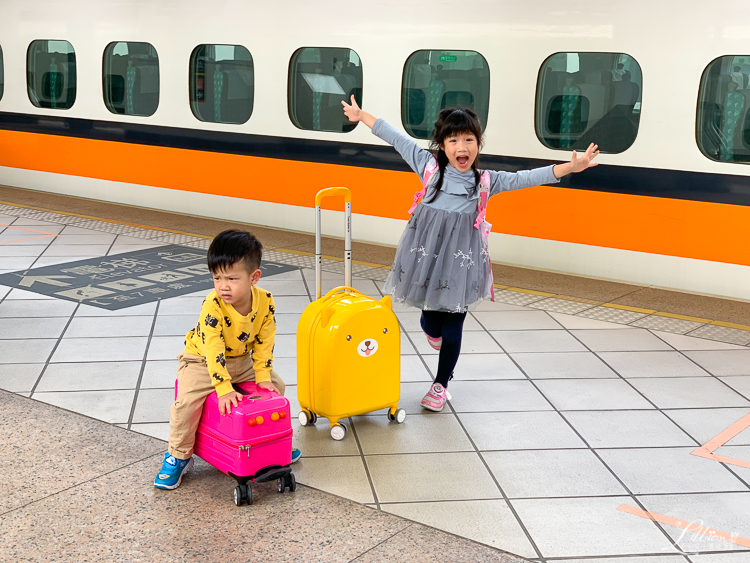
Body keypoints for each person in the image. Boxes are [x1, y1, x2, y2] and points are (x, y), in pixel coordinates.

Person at [341, 97, 599, 412]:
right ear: (442, 144)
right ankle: (429, 325)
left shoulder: (485, 182)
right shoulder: (428, 166)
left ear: (478, 144)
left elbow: (526, 178)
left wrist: (570, 168)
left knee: (453, 327)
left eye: (469, 140)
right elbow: (394, 137)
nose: (462, 146)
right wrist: (360, 115)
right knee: (433, 322)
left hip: (462, 264)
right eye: (453, 140)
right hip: (427, 258)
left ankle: (440, 384)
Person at [154, 229, 301, 490]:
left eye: (232, 278)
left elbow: (265, 341)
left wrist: (264, 377)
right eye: (217, 278)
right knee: (186, 403)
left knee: (277, 389)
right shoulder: (213, 304)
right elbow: (213, 349)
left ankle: (272, 448)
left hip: (241, 361)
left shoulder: (265, 301)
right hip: (199, 361)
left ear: (254, 277)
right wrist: (223, 389)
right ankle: (178, 455)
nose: (223, 286)